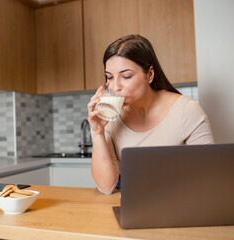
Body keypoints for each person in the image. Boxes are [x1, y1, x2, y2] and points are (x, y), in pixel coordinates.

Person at [87, 34, 214, 195]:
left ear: (150, 75)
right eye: (109, 77)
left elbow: (208, 176)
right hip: (133, 208)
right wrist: (97, 132)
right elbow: (106, 187)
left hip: (179, 202)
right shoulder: (110, 116)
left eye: (126, 76)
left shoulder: (187, 111)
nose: (115, 87)